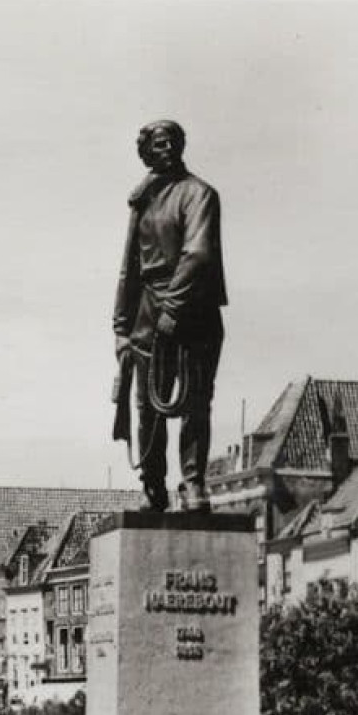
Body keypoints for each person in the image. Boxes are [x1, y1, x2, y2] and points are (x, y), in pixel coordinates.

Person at [111, 120, 228, 512]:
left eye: (172, 142)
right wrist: (120, 327)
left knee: (195, 401)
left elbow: (198, 254)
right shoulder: (142, 199)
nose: (165, 149)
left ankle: (193, 483)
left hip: (194, 312)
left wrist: (171, 310)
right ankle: (152, 484)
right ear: (145, 152)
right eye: (157, 144)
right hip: (147, 310)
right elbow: (129, 266)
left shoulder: (199, 194)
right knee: (148, 406)